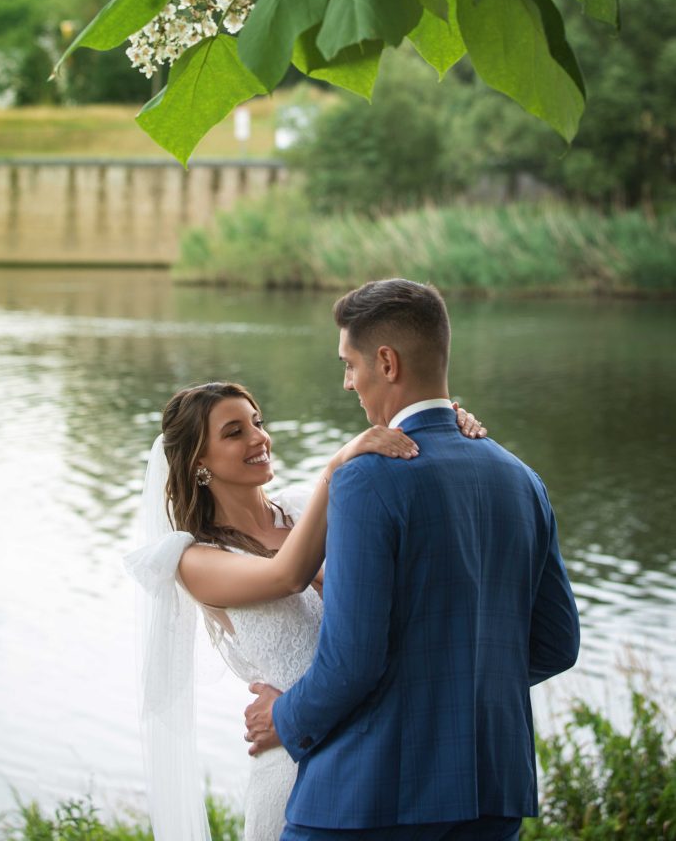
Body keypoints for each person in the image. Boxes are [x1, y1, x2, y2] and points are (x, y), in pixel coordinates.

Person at [245, 279, 580, 841]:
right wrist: (450, 683)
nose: (348, 382)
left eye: (350, 364)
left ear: (386, 361)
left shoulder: (367, 480)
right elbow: (556, 645)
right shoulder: (522, 479)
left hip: (369, 796)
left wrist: (283, 718)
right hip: (492, 793)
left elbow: (353, 661)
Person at [125, 380, 487, 841]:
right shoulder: (195, 560)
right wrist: (335, 466)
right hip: (294, 764)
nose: (259, 438)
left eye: (257, 422)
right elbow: (286, 577)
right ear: (199, 462)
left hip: (381, 744)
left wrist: (448, 424)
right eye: (234, 432)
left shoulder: (302, 510)